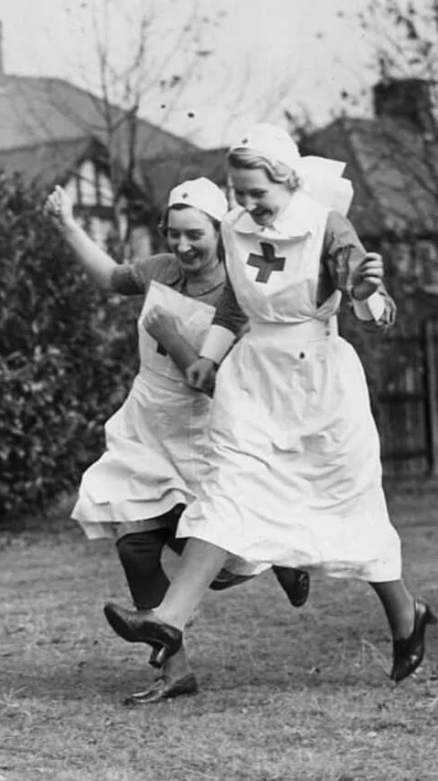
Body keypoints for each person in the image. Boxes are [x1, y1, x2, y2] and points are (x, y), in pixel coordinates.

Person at [103, 123, 436, 684]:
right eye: (238, 193)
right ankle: (167, 620)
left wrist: (363, 293)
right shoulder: (234, 228)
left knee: (348, 508)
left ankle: (407, 615)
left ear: (289, 181)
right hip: (254, 379)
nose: (247, 204)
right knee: (227, 489)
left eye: (257, 193)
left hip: (319, 384)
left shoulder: (326, 226)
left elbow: (372, 304)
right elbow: (236, 304)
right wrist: (208, 357)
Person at [43, 177, 309, 705]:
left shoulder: (240, 290)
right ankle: (175, 671)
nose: (183, 247)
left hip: (209, 426)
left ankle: (278, 551)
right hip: (149, 422)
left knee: (213, 560)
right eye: (174, 233)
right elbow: (110, 276)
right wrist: (66, 223)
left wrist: (172, 336)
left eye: (195, 236)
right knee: (136, 545)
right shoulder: (161, 269)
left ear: (221, 232)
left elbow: (218, 384)